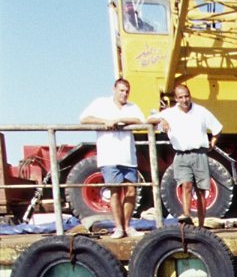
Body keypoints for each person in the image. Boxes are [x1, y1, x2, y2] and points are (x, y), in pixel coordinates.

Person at [78, 77, 148, 238]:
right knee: (114, 191)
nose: (124, 94)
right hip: (109, 156)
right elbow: (83, 118)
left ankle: (128, 226)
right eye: (121, 91)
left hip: (128, 156)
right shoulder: (101, 103)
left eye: (127, 91)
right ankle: (118, 227)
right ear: (114, 90)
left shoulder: (132, 107)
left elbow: (140, 120)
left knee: (131, 190)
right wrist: (105, 121)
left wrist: (120, 120)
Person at [150, 81, 223, 226]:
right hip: (181, 155)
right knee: (186, 185)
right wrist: (162, 119)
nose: (185, 100)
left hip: (199, 154)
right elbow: (149, 119)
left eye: (187, 96)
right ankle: (187, 215)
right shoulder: (170, 113)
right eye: (181, 97)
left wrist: (213, 143)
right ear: (176, 99)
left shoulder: (201, 111)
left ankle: (201, 224)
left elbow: (218, 127)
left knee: (201, 191)